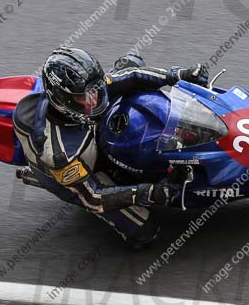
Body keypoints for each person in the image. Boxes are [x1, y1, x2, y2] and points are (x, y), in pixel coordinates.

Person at [13, 48, 209, 247]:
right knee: (145, 232)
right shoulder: (60, 154)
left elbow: (129, 77)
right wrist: (150, 192)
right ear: (63, 101)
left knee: (132, 63)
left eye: (95, 90)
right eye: (85, 98)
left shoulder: (88, 93)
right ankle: (35, 175)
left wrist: (177, 75)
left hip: (91, 132)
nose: (96, 99)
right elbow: (95, 197)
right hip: (83, 176)